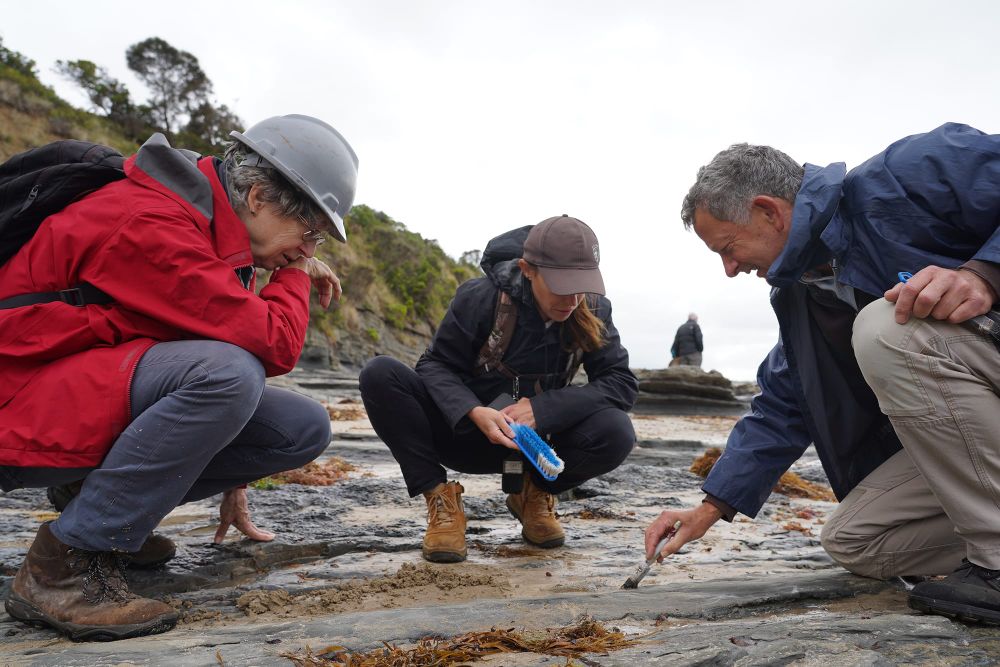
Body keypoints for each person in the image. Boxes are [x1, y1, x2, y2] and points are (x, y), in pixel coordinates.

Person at [0, 114, 359, 640]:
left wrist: (232, 482)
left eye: (317, 243)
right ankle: (66, 566)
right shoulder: (151, 223)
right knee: (229, 374)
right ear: (258, 197)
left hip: (63, 390)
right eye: (310, 233)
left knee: (300, 426)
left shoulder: (208, 224)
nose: (308, 250)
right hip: (16, 396)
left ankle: (96, 508)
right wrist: (293, 274)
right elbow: (273, 344)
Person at [645, 123, 1000, 625]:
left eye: (728, 247)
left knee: (885, 328)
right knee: (857, 540)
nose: (729, 269)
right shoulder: (801, 295)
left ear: (768, 211)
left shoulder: (913, 173)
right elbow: (784, 404)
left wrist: (984, 274)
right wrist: (710, 508)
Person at [360, 215, 637, 563]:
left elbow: (620, 383)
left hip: (539, 452)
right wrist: (473, 411)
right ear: (528, 269)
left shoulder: (594, 309)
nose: (572, 298)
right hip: (468, 435)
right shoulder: (481, 298)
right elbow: (434, 365)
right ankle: (441, 500)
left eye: (581, 285)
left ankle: (535, 495)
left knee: (616, 430)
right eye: (561, 285)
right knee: (380, 374)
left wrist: (544, 410)